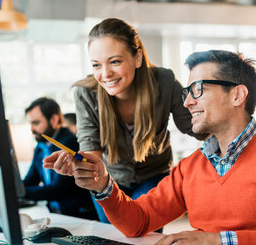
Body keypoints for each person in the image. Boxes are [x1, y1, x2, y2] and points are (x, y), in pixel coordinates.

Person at [46, 50, 256, 245]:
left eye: (198, 89)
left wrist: (219, 241)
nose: (187, 101)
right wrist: (103, 185)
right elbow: (138, 221)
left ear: (237, 95)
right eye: (187, 91)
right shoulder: (192, 167)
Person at [49, 18, 205, 224]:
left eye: (115, 61)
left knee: (146, 239)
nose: (105, 74)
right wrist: (80, 165)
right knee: (115, 239)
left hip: (153, 175)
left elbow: (196, 127)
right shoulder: (86, 93)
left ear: (137, 57)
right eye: (97, 65)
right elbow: (91, 150)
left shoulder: (164, 82)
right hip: (109, 180)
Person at [23, 97, 96, 219]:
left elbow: (58, 190)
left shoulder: (70, 143)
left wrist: (19, 193)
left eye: (36, 123)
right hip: (57, 214)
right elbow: (31, 180)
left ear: (54, 120)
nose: (32, 129)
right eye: (30, 123)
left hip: (78, 216)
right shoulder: (41, 146)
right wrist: (12, 188)